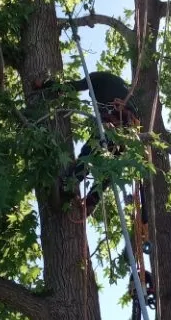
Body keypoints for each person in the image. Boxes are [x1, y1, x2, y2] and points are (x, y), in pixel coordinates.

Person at [33, 71, 141, 214]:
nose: (91, 96)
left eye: (91, 94)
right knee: (112, 166)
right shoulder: (122, 87)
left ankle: (69, 184)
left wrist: (45, 85)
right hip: (129, 128)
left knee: (90, 152)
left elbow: (73, 86)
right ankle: (91, 202)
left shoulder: (95, 79)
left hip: (117, 119)